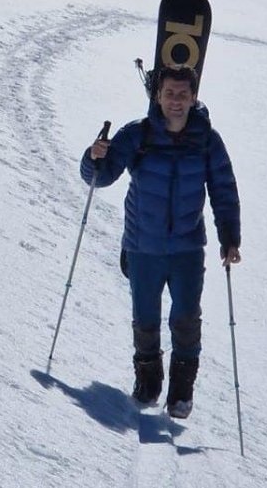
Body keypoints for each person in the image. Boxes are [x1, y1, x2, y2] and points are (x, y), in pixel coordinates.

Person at [79, 65, 240, 419]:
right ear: (158, 96)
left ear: (194, 97)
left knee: (186, 318)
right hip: (143, 246)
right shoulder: (138, 135)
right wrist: (93, 158)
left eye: (183, 95)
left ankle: (181, 393)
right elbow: (100, 178)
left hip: (186, 248)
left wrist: (229, 238)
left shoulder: (207, 140)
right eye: (169, 94)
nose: (176, 102)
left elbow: (223, 190)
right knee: (146, 318)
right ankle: (148, 384)